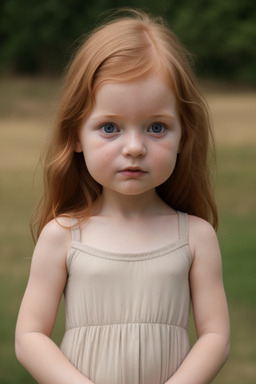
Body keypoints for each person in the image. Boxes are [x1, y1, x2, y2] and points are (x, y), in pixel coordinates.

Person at [15, 8, 230, 384]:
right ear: (75, 136)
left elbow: (215, 336)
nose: (134, 147)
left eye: (156, 127)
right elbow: (30, 336)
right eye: (110, 127)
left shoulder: (195, 237)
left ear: (184, 137)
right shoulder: (64, 235)